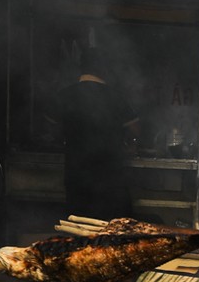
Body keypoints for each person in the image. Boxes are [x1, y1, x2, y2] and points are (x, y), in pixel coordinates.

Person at [59, 48, 141, 221]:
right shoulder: (116, 97)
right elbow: (135, 129)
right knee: (110, 229)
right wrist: (130, 143)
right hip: (109, 177)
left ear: (81, 67)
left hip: (76, 175)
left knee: (77, 228)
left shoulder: (65, 95)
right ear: (104, 68)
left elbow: (49, 127)